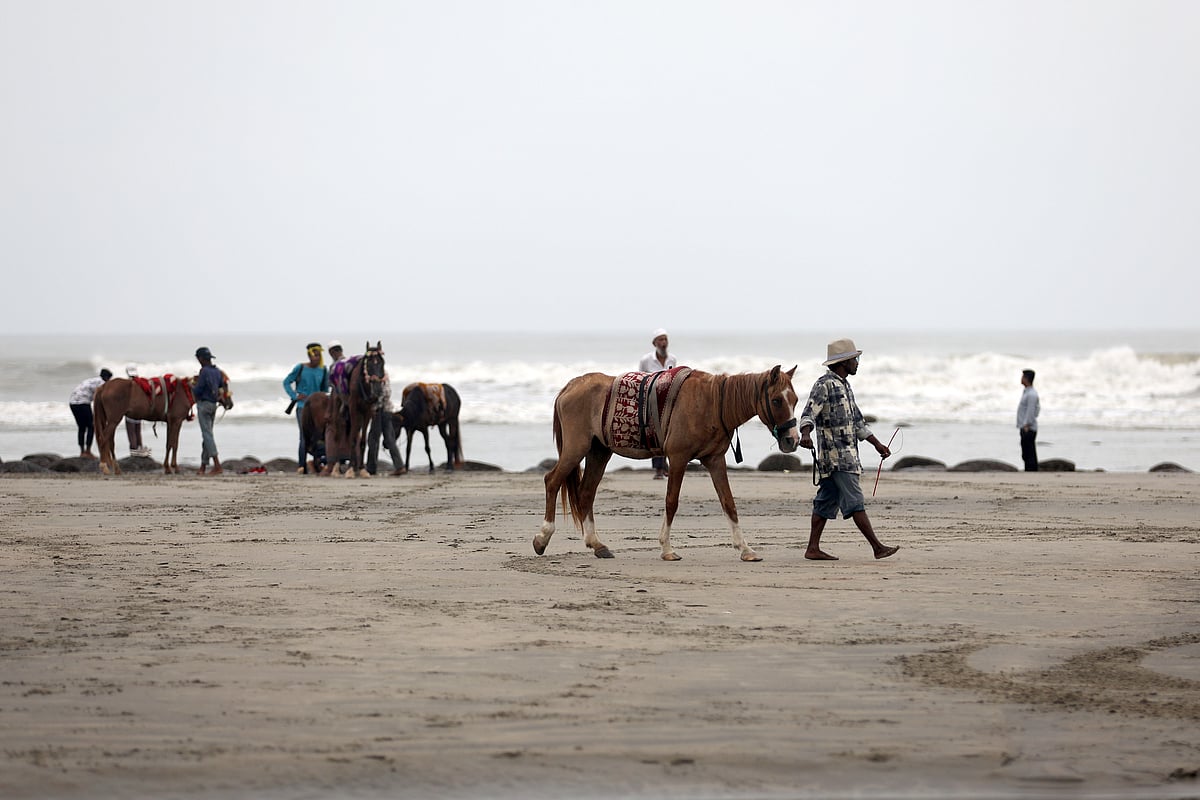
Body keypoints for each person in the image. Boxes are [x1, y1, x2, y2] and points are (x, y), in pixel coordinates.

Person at [798, 338, 899, 561]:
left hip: (847, 457)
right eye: (855, 359)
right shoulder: (824, 384)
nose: (857, 363)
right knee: (855, 502)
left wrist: (878, 445)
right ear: (844, 362)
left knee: (825, 502)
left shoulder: (845, 386)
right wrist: (805, 434)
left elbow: (858, 423)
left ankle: (812, 549)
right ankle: (877, 547)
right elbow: (808, 414)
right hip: (836, 458)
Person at [283, 343, 330, 473]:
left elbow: (324, 390)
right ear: (309, 355)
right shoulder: (300, 368)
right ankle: (301, 466)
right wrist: (294, 396)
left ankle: (320, 462)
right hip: (302, 406)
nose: (316, 356)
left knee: (321, 435)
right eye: (314, 353)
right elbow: (286, 382)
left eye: (318, 353)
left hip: (319, 408)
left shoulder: (323, 370)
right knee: (304, 436)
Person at [638, 328, 677, 479]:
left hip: (668, 401)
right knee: (655, 433)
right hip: (651, 401)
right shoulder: (646, 360)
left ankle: (666, 465)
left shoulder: (672, 359)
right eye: (660, 340)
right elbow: (640, 378)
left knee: (669, 432)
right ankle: (659, 469)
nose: (663, 343)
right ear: (654, 343)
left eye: (665, 339)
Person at [366, 370, 405, 476]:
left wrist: (374, 406)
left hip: (379, 411)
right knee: (389, 438)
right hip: (387, 410)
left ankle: (371, 468)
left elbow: (384, 394)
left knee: (373, 439)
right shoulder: (384, 374)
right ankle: (399, 466)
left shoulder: (375, 376)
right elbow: (387, 393)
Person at [193, 347, 225, 475]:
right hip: (213, 405)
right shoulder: (217, 371)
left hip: (204, 405)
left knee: (207, 435)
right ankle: (203, 467)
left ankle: (217, 464)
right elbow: (222, 386)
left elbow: (199, 389)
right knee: (208, 435)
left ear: (201, 359)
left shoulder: (204, 371)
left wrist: (191, 386)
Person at [68, 368, 112, 458]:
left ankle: (82, 451)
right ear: (107, 378)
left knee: (82, 427)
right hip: (83, 402)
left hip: (73, 402)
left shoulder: (91, 380)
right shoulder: (102, 383)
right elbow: (101, 399)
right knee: (92, 426)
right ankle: (88, 451)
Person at [124, 364, 150, 457]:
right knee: (138, 431)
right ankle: (140, 448)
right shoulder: (141, 382)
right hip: (140, 410)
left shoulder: (128, 383)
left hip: (131, 410)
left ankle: (134, 451)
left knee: (131, 432)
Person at [1017, 369, 1040, 472]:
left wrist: (1027, 424)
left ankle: (1031, 471)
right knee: (1026, 452)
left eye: (1022, 377)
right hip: (1025, 426)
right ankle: (1029, 469)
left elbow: (1032, 410)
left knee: (1029, 452)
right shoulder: (1027, 392)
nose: (1021, 379)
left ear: (1026, 379)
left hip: (1028, 427)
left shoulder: (1031, 394)